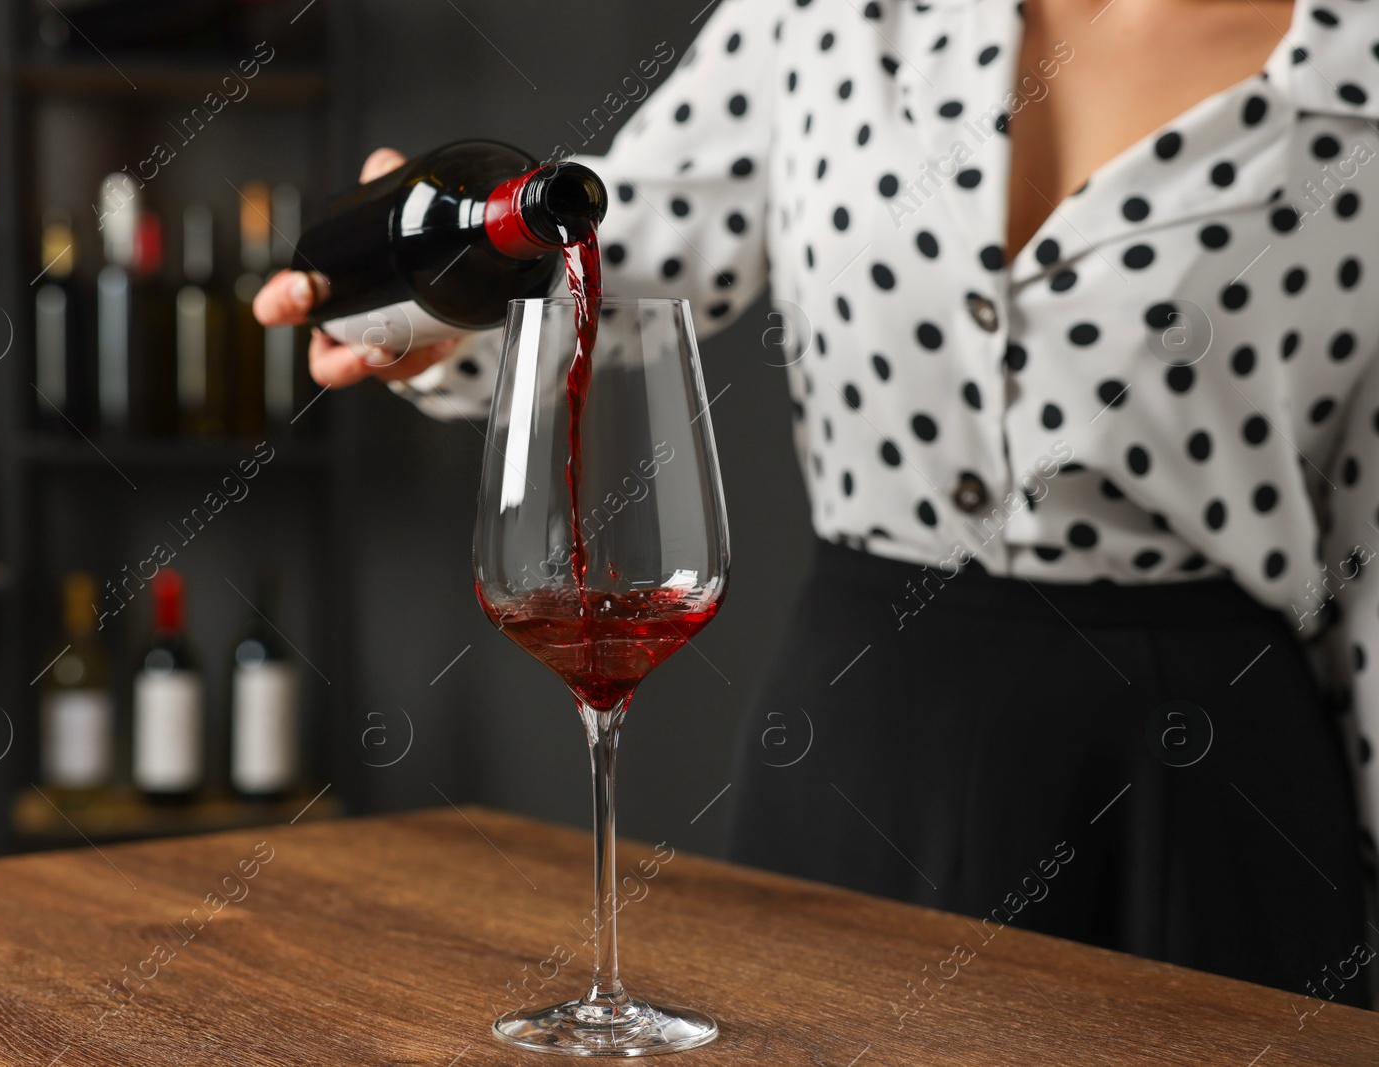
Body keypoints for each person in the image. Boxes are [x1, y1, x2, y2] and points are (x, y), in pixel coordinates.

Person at [257, 0, 1378, 1006]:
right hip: (865, 724)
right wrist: (420, 316)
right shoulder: (828, 14)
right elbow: (594, 252)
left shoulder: (1356, 66)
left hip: (1202, 773)